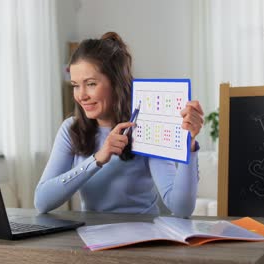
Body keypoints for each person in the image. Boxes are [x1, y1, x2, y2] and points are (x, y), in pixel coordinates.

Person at [34, 32, 204, 217]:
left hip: (143, 238)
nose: (81, 95)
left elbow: (181, 209)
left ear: (116, 83)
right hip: (92, 238)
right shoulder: (71, 130)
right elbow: (42, 202)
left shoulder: (145, 127)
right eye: (76, 85)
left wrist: (190, 144)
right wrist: (97, 159)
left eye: (91, 84)